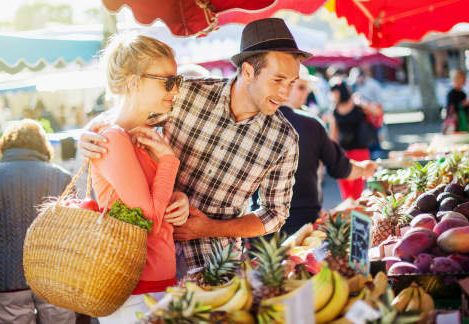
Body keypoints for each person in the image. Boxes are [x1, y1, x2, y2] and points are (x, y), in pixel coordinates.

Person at [80, 18, 309, 275]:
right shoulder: (187, 95)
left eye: (291, 82)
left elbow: (275, 214)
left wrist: (211, 227)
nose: (285, 93)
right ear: (247, 71)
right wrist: (90, 132)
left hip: (215, 264)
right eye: (277, 80)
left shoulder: (284, 139)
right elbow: (131, 114)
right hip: (149, 255)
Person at [91, 33, 188, 323]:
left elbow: (154, 204)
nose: (175, 90)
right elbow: (148, 217)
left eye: (177, 81)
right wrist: (169, 161)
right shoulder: (114, 139)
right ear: (133, 81)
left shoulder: (144, 137)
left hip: (155, 285)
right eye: (167, 81)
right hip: (136, 292)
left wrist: (179, 199)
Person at [0, 120, 76, 324]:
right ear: (43, 146)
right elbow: (75, 233)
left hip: (6, 278)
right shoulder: (62, 178)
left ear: (5, 146)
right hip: (55, 277)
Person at [277, 66, 377, 235]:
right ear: (285, 86)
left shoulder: (256, 122)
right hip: (303, 222)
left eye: (307, 88)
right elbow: (341, 167)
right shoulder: (311, 124)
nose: (306, 93)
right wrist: (365, 169)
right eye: (301, 87)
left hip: (260, 226)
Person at [328, 82, 378, 200]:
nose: (332, 96)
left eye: (334, 93)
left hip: (360, 151)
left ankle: (355, 214)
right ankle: (349, 214)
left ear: (341, 92)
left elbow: (376, 112)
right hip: (344, 153)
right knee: (345, 189)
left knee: (357, 189)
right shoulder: (334, 110)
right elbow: (333, 134)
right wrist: (331, 154)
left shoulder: (357, 105)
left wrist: (362, 102)